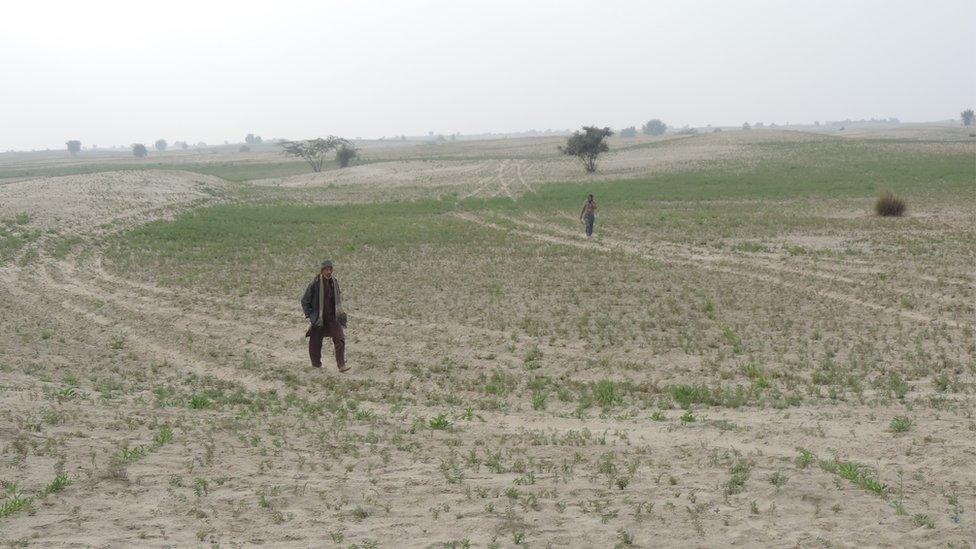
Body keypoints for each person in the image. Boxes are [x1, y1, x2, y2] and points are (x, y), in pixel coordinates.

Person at [301, 260, 349, 372]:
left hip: (333, 317)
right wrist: (311, 315)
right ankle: (316, 365)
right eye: (326, 269)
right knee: (315, 342)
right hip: (319, 318)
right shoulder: (315, 284)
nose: (329, 272)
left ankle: (341, 365)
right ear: (322, 271)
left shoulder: (334, 282)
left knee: (340, 338)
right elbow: (304, 300)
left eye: (330, 269)